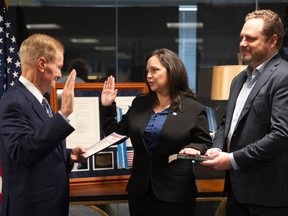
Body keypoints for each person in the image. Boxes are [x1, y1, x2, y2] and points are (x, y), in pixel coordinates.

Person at [100, 48, 212, 216]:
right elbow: (114, 135)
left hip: (176, 194)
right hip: (140, 193)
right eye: (147, 71)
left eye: (154, 70)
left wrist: (195, 148)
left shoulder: (193, 108)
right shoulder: (139, 103)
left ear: (172, 71)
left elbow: (204, 142)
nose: (149, 76)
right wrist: (108, 106)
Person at [201, 10, 288, 216]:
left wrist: (232, 160)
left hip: (269, 196)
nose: (242, 43)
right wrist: (217, 147)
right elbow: (226, 122)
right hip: (236, 193)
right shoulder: (238, 80)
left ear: (272, 41)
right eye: (241, 37)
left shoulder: (284, 76)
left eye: (250, 38)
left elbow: (282, 135)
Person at [0, 34, 87, 216]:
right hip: (31, 208)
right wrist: (63, 114)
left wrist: (68, 155)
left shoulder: (39, 99)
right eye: (59, 67)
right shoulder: (13, 100)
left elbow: (40, 145)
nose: (59, 75)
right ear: (41, 64)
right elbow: (23, 151)